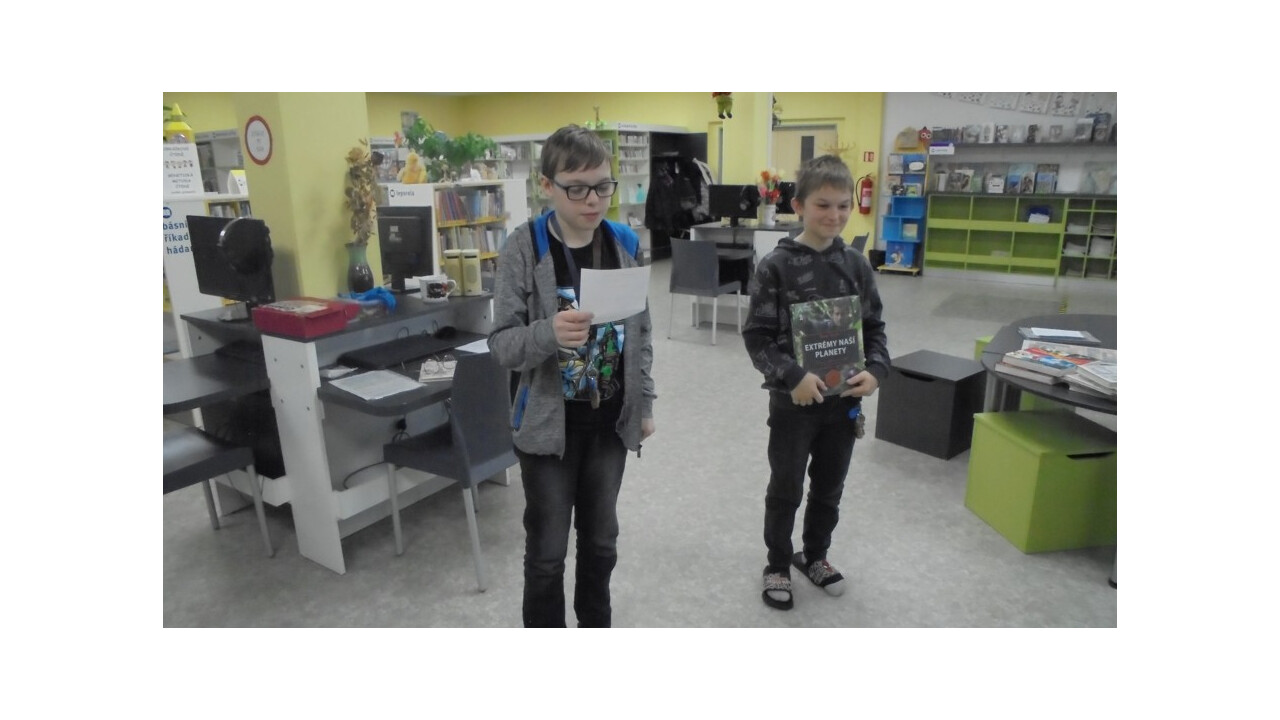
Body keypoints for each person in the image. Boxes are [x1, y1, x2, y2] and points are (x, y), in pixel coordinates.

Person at [489, 125, 657, 627]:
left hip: (609, 424)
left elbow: (641, 332)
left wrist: (645, 403)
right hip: (547, 432)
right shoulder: (524, 248)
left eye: (603, 186)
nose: (593, 200)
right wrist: (549, 332)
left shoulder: (624, 242)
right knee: (547, 553)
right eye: (577, 188)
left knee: (602, 543)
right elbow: (501, 345)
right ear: (547, 186)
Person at [742, 154, 890, 611]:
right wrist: (794, 376)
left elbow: (875, 329)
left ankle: (816, 555)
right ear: (798, 205)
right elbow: (757, 338)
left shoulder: (856, 265)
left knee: (829, 488)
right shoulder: (775, 266)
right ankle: (777, 563)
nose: (835, 215)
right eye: (823, 205)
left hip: (842, 405)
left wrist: (876, 372)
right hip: (794, 405)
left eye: (844, 206)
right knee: (786, 488)